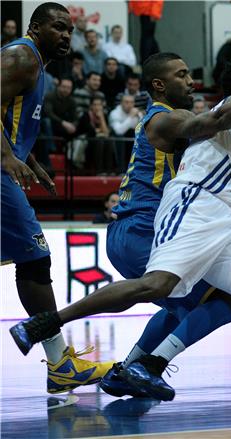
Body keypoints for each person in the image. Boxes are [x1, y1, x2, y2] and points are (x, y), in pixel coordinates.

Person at [10, 56, 231, 412]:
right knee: (169, 291)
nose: (189, 81)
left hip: (219, 219)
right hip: (168, 214)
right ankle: (59, 327)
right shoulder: (181, 117)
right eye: (181, 74)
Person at [1, 2, 113, 394]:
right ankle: (60, 363)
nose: (66, 35)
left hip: (6, 168)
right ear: (35, 27)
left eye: (70, 29)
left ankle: (59, 362)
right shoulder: (21, 56)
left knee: (33, 260)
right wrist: (6, 156)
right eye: (58, 27)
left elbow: (9, 118)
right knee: (35, 257)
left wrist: (30, 159)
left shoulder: (36, 65)